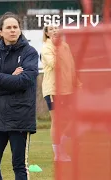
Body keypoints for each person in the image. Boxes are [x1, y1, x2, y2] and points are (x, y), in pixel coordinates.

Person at [0, 12, 39, 180]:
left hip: (20, 118)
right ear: (0, 31)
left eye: (15, 27)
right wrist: (11, 78)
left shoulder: (30, 53)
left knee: (19, 166)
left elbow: (25, 81)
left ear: (20, 30)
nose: (12, 30)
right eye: (8, 27)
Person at [41, 25, 82, 162]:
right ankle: (58, 154)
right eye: (51, 29)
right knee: (57, 121)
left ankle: (62, 146)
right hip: (53, 89)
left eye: (56, 28)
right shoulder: (46, 48)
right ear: (46, 33)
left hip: (67, 89)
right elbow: (54, 64)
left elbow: (71, 66)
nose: (54, 30)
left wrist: (77, 83)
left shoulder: (65, 45)